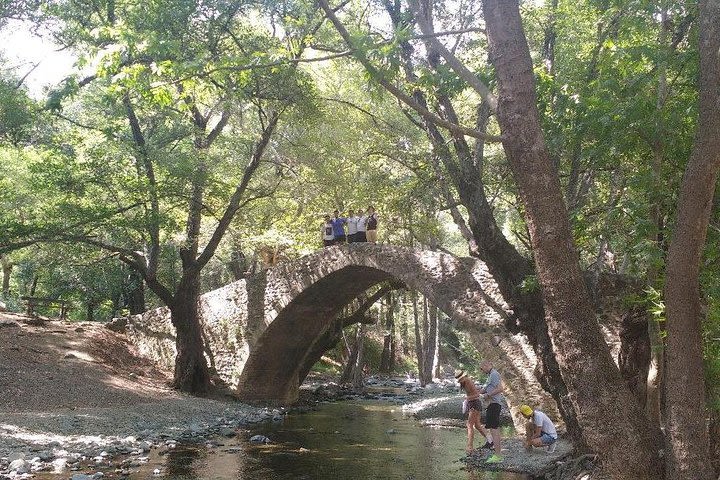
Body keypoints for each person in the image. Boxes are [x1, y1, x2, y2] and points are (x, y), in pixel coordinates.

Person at [455, 369, 494, 454]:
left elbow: (477, 395)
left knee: (469, 425)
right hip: (473, 403)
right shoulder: (464, 382)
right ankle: (490, 441)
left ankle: (470, 447)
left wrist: (467, 398)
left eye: (461, 379)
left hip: (475, 403)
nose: (460, 381)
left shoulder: (468, 381)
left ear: (464, 377)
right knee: (477, 425)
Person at [478, 360, 505, 463]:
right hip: (491, 405)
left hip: (494, 404)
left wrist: (487, 395)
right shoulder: (490, 375)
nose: (481, 370)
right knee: (494, 429)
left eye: (482, 368)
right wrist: (477, 392)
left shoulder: (494, 374)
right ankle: (497, 454)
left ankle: (498, 456)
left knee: (494, 430)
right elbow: (486, 388)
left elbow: (500, 388)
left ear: (487, 365)